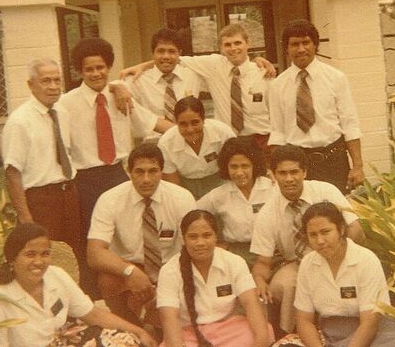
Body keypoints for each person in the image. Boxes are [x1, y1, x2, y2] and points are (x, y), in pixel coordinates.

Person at [59, 37, 172, 298]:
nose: (96, 73)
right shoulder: (67, 104)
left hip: (119, 175)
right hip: (86, 181)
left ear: (108, 67)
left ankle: (136, 289)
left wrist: (191, 132)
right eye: (89, 69)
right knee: (92, 239)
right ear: (80, 71)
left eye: (101, 67)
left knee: (128, 232)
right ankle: (94, 297)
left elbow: (152, 121)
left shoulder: (120, 96)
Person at [251, 145, 365, 337]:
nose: (289, 179)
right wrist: (259, 279)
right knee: (285, 285)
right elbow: (263, 262)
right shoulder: (268, 212)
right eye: (282, 173)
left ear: (305, 172)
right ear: (273, 175)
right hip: (299, 264)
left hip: (338, 254)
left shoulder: (326, 191)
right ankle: (292, 334)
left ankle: (348, 328)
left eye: (294, 172)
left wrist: (336, 253)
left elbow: (356, 230)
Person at [0, 223, 157, 347]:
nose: (39, 262)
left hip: (64, 342)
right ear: (12, 259)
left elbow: (93, 314)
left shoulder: (56, 275)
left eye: (45, 254)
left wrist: (139, 331)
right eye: (30, 254)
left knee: (128, 341)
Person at [120, 24, 274, 155]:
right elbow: (170, 59)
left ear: (248, 43)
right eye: (227, 45)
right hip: (225, 141)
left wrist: (258, 59)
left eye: (238, 43)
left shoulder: (264, 73)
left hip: (260, 140)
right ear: (221, 48)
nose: (233, 48)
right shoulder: (213, 66)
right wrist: (140, 67)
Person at [87, 143, 196, 326]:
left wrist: (168, 279)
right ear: (128, 171)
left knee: (168, 330)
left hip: (171, 267)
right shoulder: (109, 199)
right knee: (107, 280)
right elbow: (94, 254)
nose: (146, 179)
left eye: (153, 171)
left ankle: (162, 322)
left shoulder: (181, 198)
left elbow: (191, 247)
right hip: (131, 268)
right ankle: (131, 326)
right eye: (139, 172)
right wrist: (130, 272)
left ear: (162, 171)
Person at [294, 202, 395, 347]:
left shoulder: (365, 260)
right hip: (331, 333)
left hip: (376, 331)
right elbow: (304, 320)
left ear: (342, 229)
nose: (320, 241)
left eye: (326, 232)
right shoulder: (308, 264)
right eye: (313, 235)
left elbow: (369, 323)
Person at [268, 19, 364, 194]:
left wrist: (357, 166)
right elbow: (277, 133)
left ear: (315, 45)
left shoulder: (336, 78)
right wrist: (277, 170)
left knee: (337, 214)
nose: (301, 49)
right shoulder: (277, 86)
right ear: (287, 49)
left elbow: (349, 125)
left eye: (306, 42)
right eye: (295, 44)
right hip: (297, 165)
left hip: (333, 161)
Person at [157, 209, 275, 347]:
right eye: (193, 237)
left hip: (230, 332)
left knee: (263, 331)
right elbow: (170, 320)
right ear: (183, 239)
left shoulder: (234, 262)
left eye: (207, 235)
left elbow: (251, 305)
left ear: (216, 237)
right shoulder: (169, 271)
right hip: (189, 336)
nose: (200, 243)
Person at [1, 58, 81, 257]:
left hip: (68, 195)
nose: (53, 86)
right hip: (41, 201)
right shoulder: (20, 121)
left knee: (73, 255)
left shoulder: (61, 112)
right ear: (31, 85)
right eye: (46, 81)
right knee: (45, 256)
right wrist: (26, 218)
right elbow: (12, 173)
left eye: (57, 80)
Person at [197, 136, 274, 266]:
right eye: (234, 167)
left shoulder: (272, 188)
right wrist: (215, 243)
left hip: (270, 252)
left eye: (245, 166)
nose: (239, 173)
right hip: (236, 256)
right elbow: (192, 215)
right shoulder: (219, 195)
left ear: (254, 165)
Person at [122, 27, 204, 142]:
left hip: (189, 139)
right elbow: (115, 87)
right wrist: (118, 88)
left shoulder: (193, 75)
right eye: (161, 51)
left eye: (171, 51)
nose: (166, 56)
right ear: (153, 53)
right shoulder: (139, 80)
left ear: (179, 53)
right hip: (155, 144)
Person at [158, 96, 235, 199]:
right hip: (185, 187)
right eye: (183, 124)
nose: (190, 130)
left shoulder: (222, 132)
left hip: (220, 182)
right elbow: (174, 187)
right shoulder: (165, 143)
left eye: (195, 122)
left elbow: (235, 168)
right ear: (176, 122)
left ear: (203, 119)